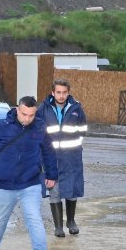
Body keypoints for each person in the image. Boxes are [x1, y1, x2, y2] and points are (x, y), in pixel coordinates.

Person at [0, 96, 58, 250]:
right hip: (3, 184)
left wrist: (51, 175)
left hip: (30, 183)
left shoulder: (40, 127)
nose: (27, 119)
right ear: (17, 110)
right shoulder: (2, 126)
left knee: (35, 219)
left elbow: (48, 151)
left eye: (31, 115)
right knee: (0, 220)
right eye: (24, 114)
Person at [36, 79, 87, 237]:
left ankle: (71, 221)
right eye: (58, 92)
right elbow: (37, 131)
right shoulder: (43, 109)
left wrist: (74, 146)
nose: (61, 95)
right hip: (50, 157)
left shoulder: (76, 108)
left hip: (71, 157)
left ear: (68, 92)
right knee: (54, 189)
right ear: (53, 92)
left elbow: (82, 129)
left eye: (64, 92)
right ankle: (58, 226)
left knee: (71, 190)